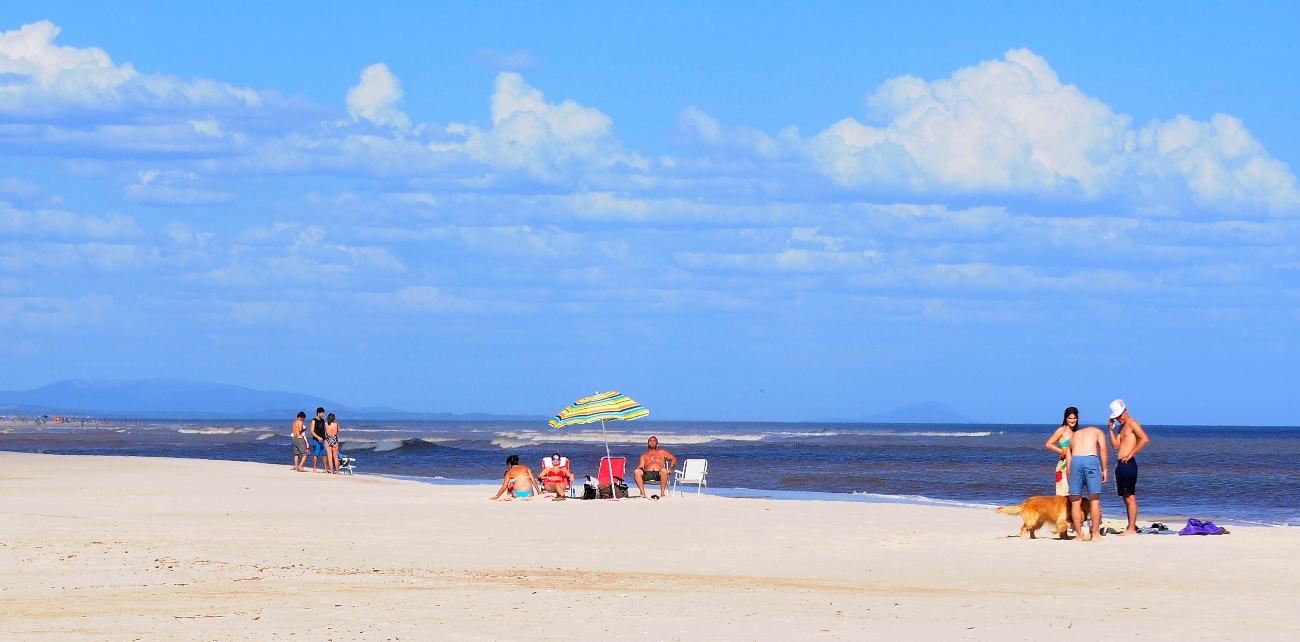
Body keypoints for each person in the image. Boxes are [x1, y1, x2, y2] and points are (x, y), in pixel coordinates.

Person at [1108, 399, 1151, 536]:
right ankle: (1130, 526)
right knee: (1125, 497)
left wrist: (1131, 453)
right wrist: (1110, 429)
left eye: (1120, 415)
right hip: (1120, 463)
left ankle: (1131, 528)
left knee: (1129, 496)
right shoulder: (1121, 427)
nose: (1119, 418)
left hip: (1128, 463)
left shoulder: (1132, 423)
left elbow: (1144, 439)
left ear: (1125, 410)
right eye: (1116, 417)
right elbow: (1115, 445)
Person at [1067, 421, 1109, 542]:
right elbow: (1103, 450)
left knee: (1075, 500)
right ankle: (1095, 534)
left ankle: (1078, 535)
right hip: (1090, 459)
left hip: (1075, 460)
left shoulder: (1074, 435)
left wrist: (1069, 471)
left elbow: (1068, 451)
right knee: (1094, 499)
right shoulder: (1097, 432)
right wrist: (1105, 469)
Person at [1045, 407, 1079, 496]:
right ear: (1065, 418)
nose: (1072, 420)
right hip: (1063, 465)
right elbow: (1048, 444)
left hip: (1075, 463)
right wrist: (1062, 451)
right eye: (1070, 418)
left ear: (1077, 418)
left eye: (1074, 418)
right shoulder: (1062, 430)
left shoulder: (1076, 432)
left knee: (1074, 492)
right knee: (1063, 492)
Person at [310, 407, 327, 474]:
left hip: (323, 440)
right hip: (316, 440)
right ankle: (314, 468)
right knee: (316, 454)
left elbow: (324, 430)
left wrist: (325, 437)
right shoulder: (314, 420)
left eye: (323, 413)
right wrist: (318, 437)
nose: (323, 414)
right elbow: (312, 431)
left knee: (324, 454)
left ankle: (325, 468)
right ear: (318, 413)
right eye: (322, 413)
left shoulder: (322, 421)